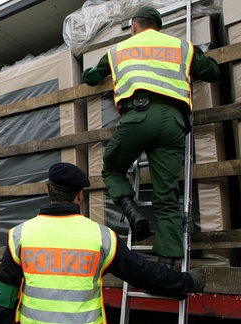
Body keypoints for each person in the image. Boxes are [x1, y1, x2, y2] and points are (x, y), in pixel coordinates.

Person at [81, 6, 220, 267]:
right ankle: (167, 265)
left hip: (137, 117)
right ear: (158, 26)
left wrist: (90, 74)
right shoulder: (180, 47)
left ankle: (132, 212)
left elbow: (92, 77)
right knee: (167, 196)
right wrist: (199, 54)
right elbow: (212, 71)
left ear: (134, 25)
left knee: (112, 169)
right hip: (173, 123)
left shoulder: (119, 51)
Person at [0, 162, 205, 324]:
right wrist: (186, 282)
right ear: (80, 195)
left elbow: (4, 300)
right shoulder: (101, 237)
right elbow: (143, 273)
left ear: (48, 191)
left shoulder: (19, 236)